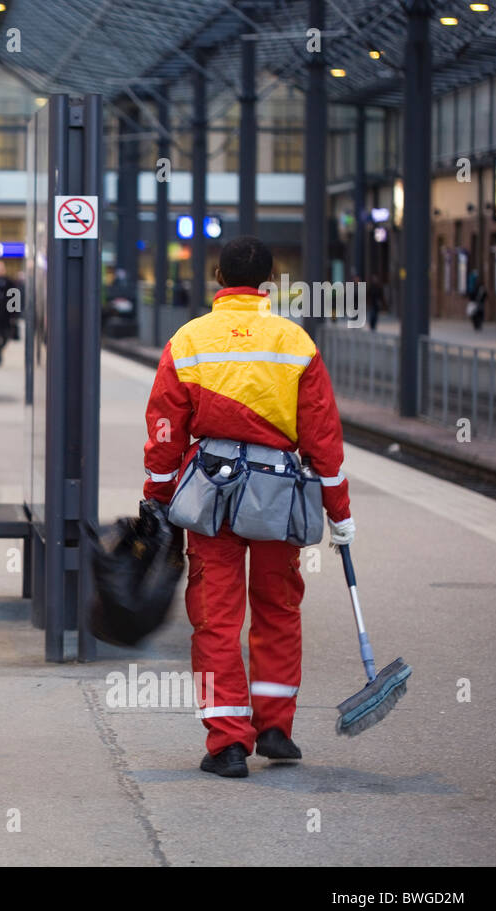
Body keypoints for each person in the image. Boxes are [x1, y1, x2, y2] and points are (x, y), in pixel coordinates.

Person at [141, 236, 353, 779]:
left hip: (212, 495)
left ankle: (228, 743)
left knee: (216, 616)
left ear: (217, 276)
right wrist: (339, 512)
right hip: (279, 496)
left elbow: (164, 429)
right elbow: (322, 436)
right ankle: (276, 727)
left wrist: (158, 496)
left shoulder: (189, 340)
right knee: (278, 607)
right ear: (268, 282)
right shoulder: (294, 341)